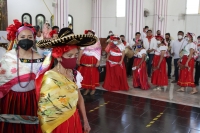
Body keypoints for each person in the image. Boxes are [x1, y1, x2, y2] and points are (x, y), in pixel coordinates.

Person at [36, 28, 97, 133]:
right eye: (69, 55)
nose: (74, 58)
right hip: (58, 124)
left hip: (73, 118)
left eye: (76, 55)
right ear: (59, 57)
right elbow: (45, 109)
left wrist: (85, 121)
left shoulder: (74, 74)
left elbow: (79, 98)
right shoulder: (50, 77)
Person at [0, 19, 43, 133]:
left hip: (31, 98)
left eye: (30, 37)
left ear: (34, 39)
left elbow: (42, 80)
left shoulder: (40, 58)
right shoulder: (8, 57)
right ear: (17, 38)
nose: (26, 40)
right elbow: (2, 79)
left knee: (30, 126)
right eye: (22, 37)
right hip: (11, 98)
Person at [78, 30, 101, 95]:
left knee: (92, 73)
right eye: (88, 34)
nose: (89, 35)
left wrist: (98, 61)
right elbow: (81, 51)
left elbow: (99, 52)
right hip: (85, 58)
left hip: (93, 59)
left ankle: (93, 88)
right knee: (85, 73)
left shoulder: (97, 42)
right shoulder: (84, 41)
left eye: (90, 34)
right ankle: (87, 88)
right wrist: (78, 60)